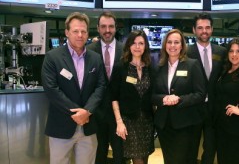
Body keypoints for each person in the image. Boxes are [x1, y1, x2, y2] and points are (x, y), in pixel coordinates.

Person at [41, 12, 106, 164]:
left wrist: (87, 111)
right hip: (61, 126)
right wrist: (78, 113)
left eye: (83, 31)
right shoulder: (53, 57)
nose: (80, 35)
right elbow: (51, 89)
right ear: (67, 32)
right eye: (76, 31)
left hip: (88, 127)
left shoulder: (95, 58)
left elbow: (101, 87)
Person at [152, 29, 206, 164]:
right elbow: (152, 95)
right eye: (169, 42)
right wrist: (163, 99)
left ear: (182, 45)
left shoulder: (192, 64)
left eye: (176, 42)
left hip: (185, 124)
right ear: (165, 45)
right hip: (164, 125)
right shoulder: (159, 67)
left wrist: (180, 99)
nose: (172, 45)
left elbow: (200, 94)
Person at [110, 30, 155, 164]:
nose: (137, 46)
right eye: (134, 43)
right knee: (137, 159)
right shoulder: (120, 68)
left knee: (144, 158)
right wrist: (119, 122)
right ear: (129, 45)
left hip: (147, 122)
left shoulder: (150, 68)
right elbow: (113, 97)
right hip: (128, 121)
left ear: (145, 46)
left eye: (141, 43)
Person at [187, 14, 226, 164]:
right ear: (194, 30)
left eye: (207, 27)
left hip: (214, 109)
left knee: (210, 149)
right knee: (191, 149)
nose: (204, 31)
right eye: (200, 28)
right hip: (193, 109)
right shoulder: (186, 53)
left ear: (212, 29)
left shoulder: (221, 52)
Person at [86, 11, 125, 164]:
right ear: (98, 28)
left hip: (120, 114)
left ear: (116, 28)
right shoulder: (88, 50)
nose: (107, 30)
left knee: (120, 155)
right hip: (96, 112)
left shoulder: (126, 50)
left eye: (110, 26)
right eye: (103, 26)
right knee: (98, 154)